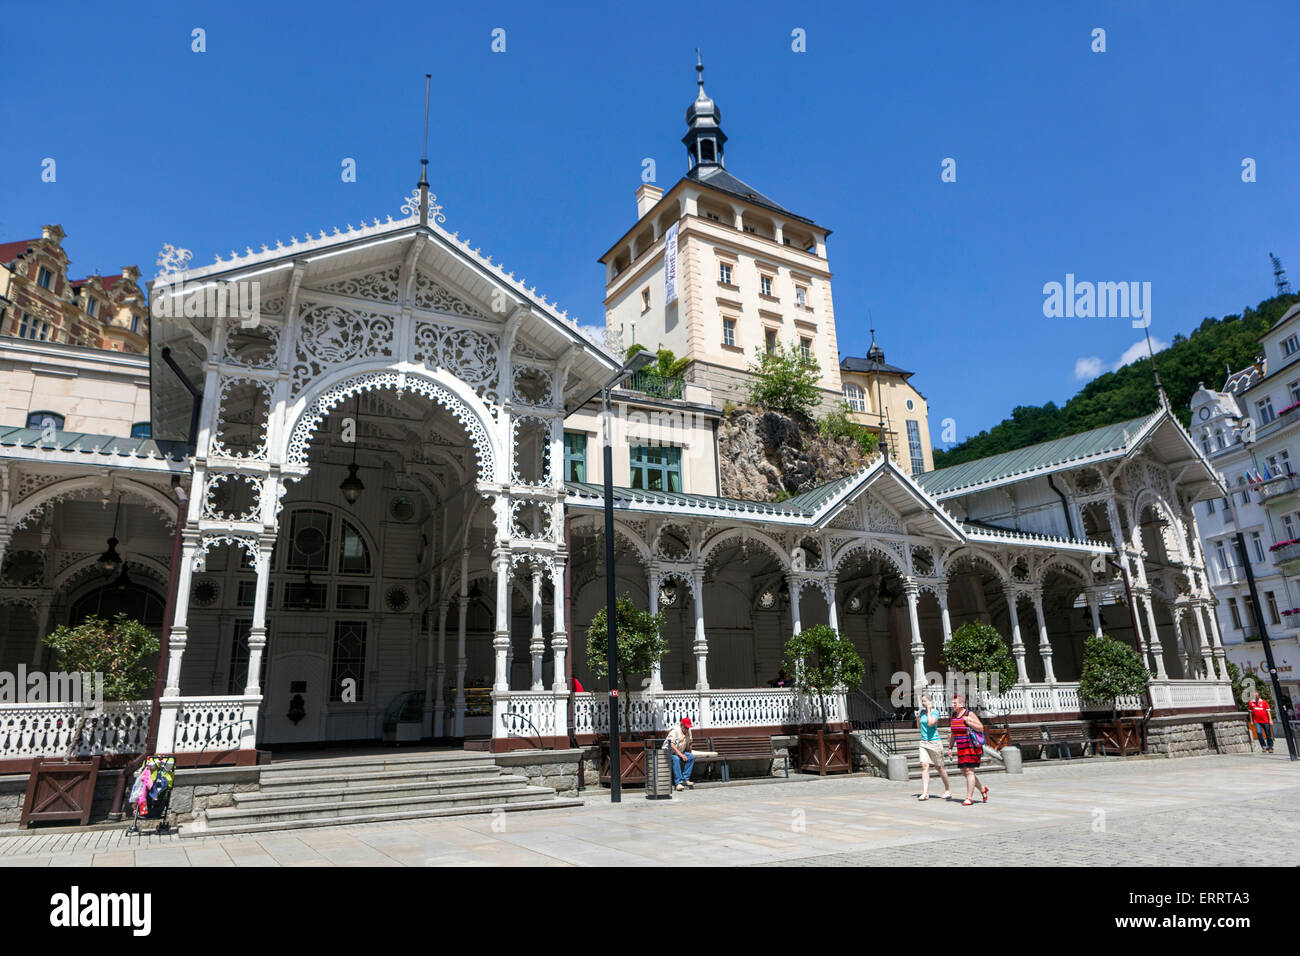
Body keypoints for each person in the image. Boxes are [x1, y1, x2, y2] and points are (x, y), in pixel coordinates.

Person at [947, 693, 988, 806]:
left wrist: (968, 721)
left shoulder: (969, 714)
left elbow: (981, 728)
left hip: (971, 747)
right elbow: (953, 734)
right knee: (964, 772)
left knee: (970, 771)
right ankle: (982, 789)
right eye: (952, 703)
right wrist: (950, 747)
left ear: (961, 704)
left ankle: (969, 797)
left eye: (954, 703)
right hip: (961, 748)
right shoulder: (954, 716)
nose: (952, 705)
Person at [915, 693, 950, 801]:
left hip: (935, 743)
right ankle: (925, 793)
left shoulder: (935, 712)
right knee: (924, 766)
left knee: (939, 768)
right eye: (922, 701)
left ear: (930, 702)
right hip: (924, 742)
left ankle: (948, 789)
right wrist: (917, 717)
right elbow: (918, 727)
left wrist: (929, 711)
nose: (923, 703)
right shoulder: (921, 712)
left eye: (925, 701)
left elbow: (930, 723)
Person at [666, 716, 695, 791]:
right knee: (676, 758)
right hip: (669, 752)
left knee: (691, 757)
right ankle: (678, 783)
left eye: (688, 727)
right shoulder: (675, 731)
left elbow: (690, 743)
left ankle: (685, 779)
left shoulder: (688, 731)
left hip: (680, 751)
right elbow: (671, 745)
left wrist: (688, 753)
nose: (687, 729)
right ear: (681, 725)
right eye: (686, 727)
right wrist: (681, 755)